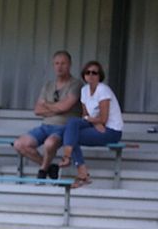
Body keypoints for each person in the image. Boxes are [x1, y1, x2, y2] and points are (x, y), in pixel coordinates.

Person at [12, 51, 82, 179]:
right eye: (57, 63)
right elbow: (38, 110)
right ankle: (49, 167)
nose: (59, 67)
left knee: (49, 144)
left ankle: (43, 171)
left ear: (70, 65)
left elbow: (64, 107)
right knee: (19, 144)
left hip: (64, 127)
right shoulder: (48, 85)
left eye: (63, 63)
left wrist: (47, 104)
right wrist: (58, 108)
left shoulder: (76, 84)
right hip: (45, 126)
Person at [60, 61, 124, 189]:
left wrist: (95, 121)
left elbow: (104, 119)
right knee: (71, 125)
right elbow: (85, 116)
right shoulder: (84, 90)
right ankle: (80, 170)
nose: (90, 75)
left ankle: (72, 163)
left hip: (111, 130)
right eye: (87, 72)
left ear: (100, 76)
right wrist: (95, 123)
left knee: (70, 134)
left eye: (94, 73)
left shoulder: (103, 90)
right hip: (97, 127)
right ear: (84, 75)